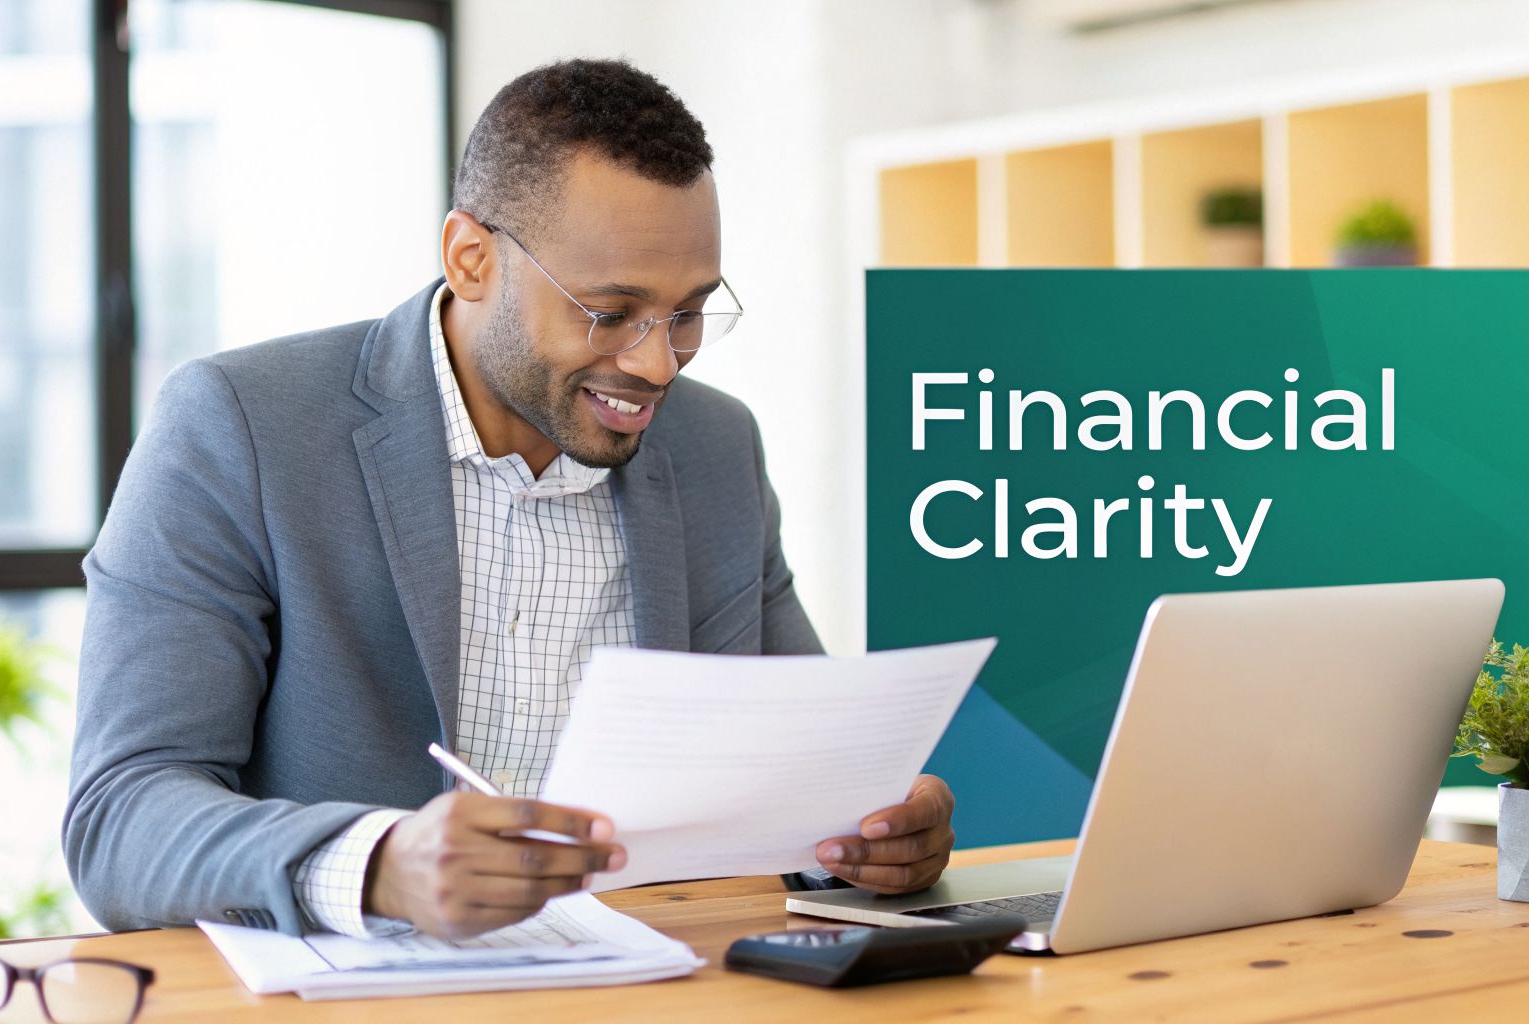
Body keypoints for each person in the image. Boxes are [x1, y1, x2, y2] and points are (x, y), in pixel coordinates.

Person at [63, 58, 955, 939]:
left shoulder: (716, 449)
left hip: (653, 991)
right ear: (471, 258)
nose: (656, 362)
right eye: (610, 313)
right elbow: (120, 817)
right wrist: (378, 864)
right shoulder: (241, 427)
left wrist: (872, 831)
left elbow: (801, 778)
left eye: (688, 312)